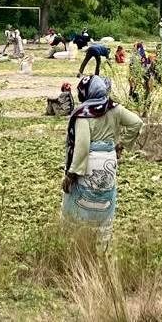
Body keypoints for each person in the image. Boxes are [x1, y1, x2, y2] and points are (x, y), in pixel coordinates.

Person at [61, 76, 144, 248]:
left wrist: (70, 173)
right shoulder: (114, 108)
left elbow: (82, 146)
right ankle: (101, 244)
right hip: (108, 161)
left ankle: (79, 243)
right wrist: (122, 144)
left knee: (79, 200)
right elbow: (137, 123)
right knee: (103, 199)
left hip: (88, 163)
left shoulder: (83, 114)